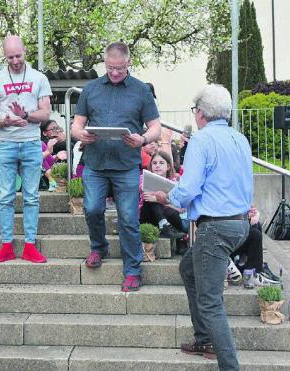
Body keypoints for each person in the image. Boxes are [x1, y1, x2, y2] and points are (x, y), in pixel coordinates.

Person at [147, 84, 252, 371]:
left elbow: (189, 188)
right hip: (240, 223)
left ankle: (229, 365)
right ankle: (204, 338)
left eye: (195, 111)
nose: (194, 116)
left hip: (215, 228)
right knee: (188, 269)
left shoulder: (202, 141)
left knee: (210, 303)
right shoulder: (240, 139)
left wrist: (166, 196)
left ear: (202, 113)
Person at [70, 41, 161, 292]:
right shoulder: (91, 89)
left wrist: (142, 139)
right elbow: (76, 125)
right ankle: (99, 248)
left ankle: (133, 270)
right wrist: (81, 135)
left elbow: (156, 127)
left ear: (128, 62)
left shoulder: (141, 90)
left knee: (129, 218)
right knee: (92, 209)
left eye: (119, 68)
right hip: (95, 164)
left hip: (127, 166)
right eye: (110, 68)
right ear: (105, 62)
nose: (115, 73)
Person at [0, 35, 52, 264]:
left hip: (32, 143)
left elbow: (45, 114)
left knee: (31, 196)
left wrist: (25, 115)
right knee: (5, 196)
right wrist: (6, 121)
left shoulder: (39, 78)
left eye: (18, 55)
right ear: (5, 55)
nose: (15, 61)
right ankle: (7, 246)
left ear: (25, 51)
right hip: (6, 144)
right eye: (10, 57)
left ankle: (30, 246)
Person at [141, 151, 186, 237]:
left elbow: (181, 209)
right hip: (149, 216)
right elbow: (146, 198)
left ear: (168, 166)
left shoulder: (174, 183)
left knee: (170, 210)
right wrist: (157, 198)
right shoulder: (143, 179)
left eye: (161, 163)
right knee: (151, 197)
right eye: (154, 163)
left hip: (171, 216)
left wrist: (162, 201)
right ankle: (163, 224)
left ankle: (167, 227)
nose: (157, 166)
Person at [40, 119, 67, 191]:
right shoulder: (43, 143)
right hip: (46, 174)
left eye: (58, 128)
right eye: (53, 129)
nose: (57, 131)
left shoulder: (62, 141)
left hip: (56, 171)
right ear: (44, 133)